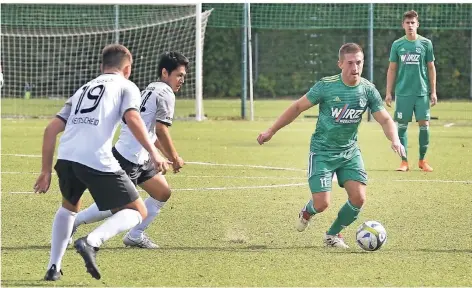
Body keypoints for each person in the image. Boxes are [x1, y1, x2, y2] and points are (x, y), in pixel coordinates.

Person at [33, 44, 169, 281]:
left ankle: (53, 267)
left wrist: (45, 171)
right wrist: (154, 152)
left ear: (102, 66)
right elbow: (133, 118)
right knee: (138, 211)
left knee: (68, 208)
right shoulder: (127, 86)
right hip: (97, 158)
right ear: (127, 68)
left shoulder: (83, 89)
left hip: (66, 157)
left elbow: (51, 129)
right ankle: (91, 241)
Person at [257, 43, 405, 249]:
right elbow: (298, 106)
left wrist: (395, 140)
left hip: (349, 152)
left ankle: (332, 235)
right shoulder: (326, 86)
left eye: (359, 62)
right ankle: (307, 212)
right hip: (322, 152)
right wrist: (271, 131)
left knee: (359, 198)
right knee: (322, 204)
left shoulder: (368, 90)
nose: (355, 67)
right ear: (340, 64)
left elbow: (386, 120)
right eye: (350, 63)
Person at [71, 51, 188, 249]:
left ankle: (135, 235)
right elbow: (160, 130)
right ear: (165, 72)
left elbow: (148, 131)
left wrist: (162, 156)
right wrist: (175, 158)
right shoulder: (166, 93)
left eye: (184, 76)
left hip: (140, 158)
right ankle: (74, 221)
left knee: (162, 193)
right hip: (128, 158)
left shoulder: (152, 88)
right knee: (117, 208)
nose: (182, 80)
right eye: (179, 75)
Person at [385, 10, 437, 172]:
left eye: (413, 23)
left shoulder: (426, 43)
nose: (410, 25)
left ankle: (422, 160)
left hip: (421, 92)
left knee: (424, 125)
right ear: (403, 25)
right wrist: (388, 92)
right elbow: (392, 69)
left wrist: (433, 91)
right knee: (401, 126)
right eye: (407, 23)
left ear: (417, 24)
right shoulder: (397, 44)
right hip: (403, 93)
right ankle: (404, 162)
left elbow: (431, 67)